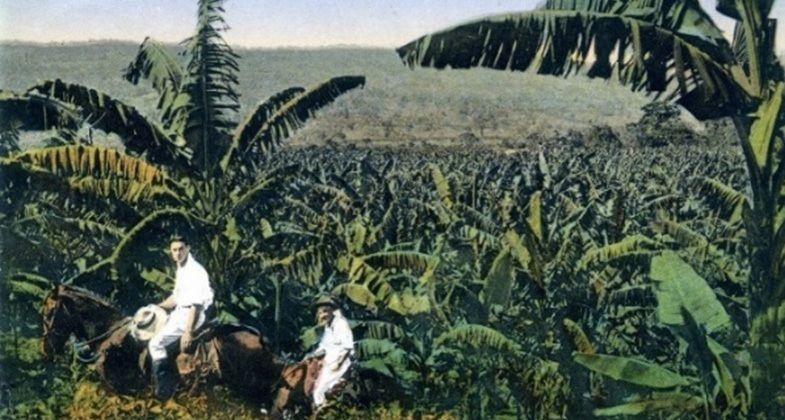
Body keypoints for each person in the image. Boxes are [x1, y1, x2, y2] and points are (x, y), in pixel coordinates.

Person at [148, 235, 214, 400]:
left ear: (188, 248)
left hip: (191, 316)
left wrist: (187, 332)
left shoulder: (195, 271)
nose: (178, 253)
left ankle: (163, 392)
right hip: (180, 312)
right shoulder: (181, 268)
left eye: (181, 249)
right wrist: (157, 307)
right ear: (171, 252)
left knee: (155, 344)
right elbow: (176, 298)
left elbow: (196, 305)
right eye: (174, 250)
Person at [309, 295, 354, 410]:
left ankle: (324, 412)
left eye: (325, 311)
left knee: (319, 390)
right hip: (327, 362)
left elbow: (347, 347)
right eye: (320, 313)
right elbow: (323, 347)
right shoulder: (328, 327)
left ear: (331, 311)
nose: (322, 315)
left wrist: (338, 363)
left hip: (340, 363)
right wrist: (312, 355)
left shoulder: (340, 324)